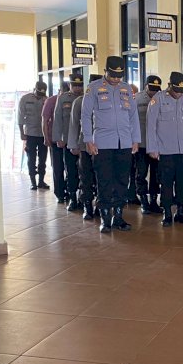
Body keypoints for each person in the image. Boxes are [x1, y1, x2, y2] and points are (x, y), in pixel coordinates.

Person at [81, 57, 140, 233]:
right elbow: (85, 115)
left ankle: (119, 217)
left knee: (122, 180)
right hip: (102, 143)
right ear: (106, 71)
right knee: (104, 181)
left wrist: (135, 139)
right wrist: (88, 139)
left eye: (119, 75)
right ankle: (105, 219)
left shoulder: (127, 88)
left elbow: (133, 116)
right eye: (113, 75)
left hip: (124, 143)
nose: (116, 79)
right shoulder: (93, 88)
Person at [146, 71, 183, 227]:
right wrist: (152, 148)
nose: (178, 94)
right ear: (169, 85)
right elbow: (151, 126)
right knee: (166, 183)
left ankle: (181, 212)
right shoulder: (158, 99)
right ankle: (167, 213)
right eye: (176, 90)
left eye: (181, 91)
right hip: (165, 151)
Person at [69, 74, 102, 220]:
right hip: (84, 146)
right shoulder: (79, 101)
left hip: (102, 147)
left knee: (102, 178)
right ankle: (87, 206)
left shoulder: (107, 100)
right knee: (86, 178)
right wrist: (73, 145)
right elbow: (74, 125)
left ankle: (100, 207)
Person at [53, 73, 84, 211]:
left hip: (84, 142)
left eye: (80, 85)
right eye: (75, 85)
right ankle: (72, 198)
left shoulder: (87, 98)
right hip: (68, 140)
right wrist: (58, 138)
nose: (78, 88)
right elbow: (58, 119)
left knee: (85, 172)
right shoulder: (63, 98)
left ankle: (84, 197)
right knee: (70, 171)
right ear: (69, 85)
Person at [134, 75, 163, 215]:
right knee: (141, 173)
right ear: (146, 86)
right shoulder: (137, 99)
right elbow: (131, 122)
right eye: (152, 89)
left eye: (157, 89)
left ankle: (153, 201)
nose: (154, 92)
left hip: (157, 144)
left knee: (156, 175)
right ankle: (143, 201)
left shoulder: (162, 98)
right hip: (141, 144)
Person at [17, 81, 48, 190]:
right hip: (30, 133)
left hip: (43, 134)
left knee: (43, 158)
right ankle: (33, 182)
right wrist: (22, 133)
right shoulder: (25, 99)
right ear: (34, 89)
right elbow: (20, 117)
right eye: (39, 93)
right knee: (31, 158)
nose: (40, 96)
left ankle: (41, 181)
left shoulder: (46, 99)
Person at [43, 82, 69, 204]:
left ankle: (69, 191)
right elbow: (44, 120)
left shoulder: (74, 99)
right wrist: (46, 137)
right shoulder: (51, 101)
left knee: (70, 167)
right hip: (55, 139)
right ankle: (60, 193)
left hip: (69, 139)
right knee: (57, 167)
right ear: (60, 90)